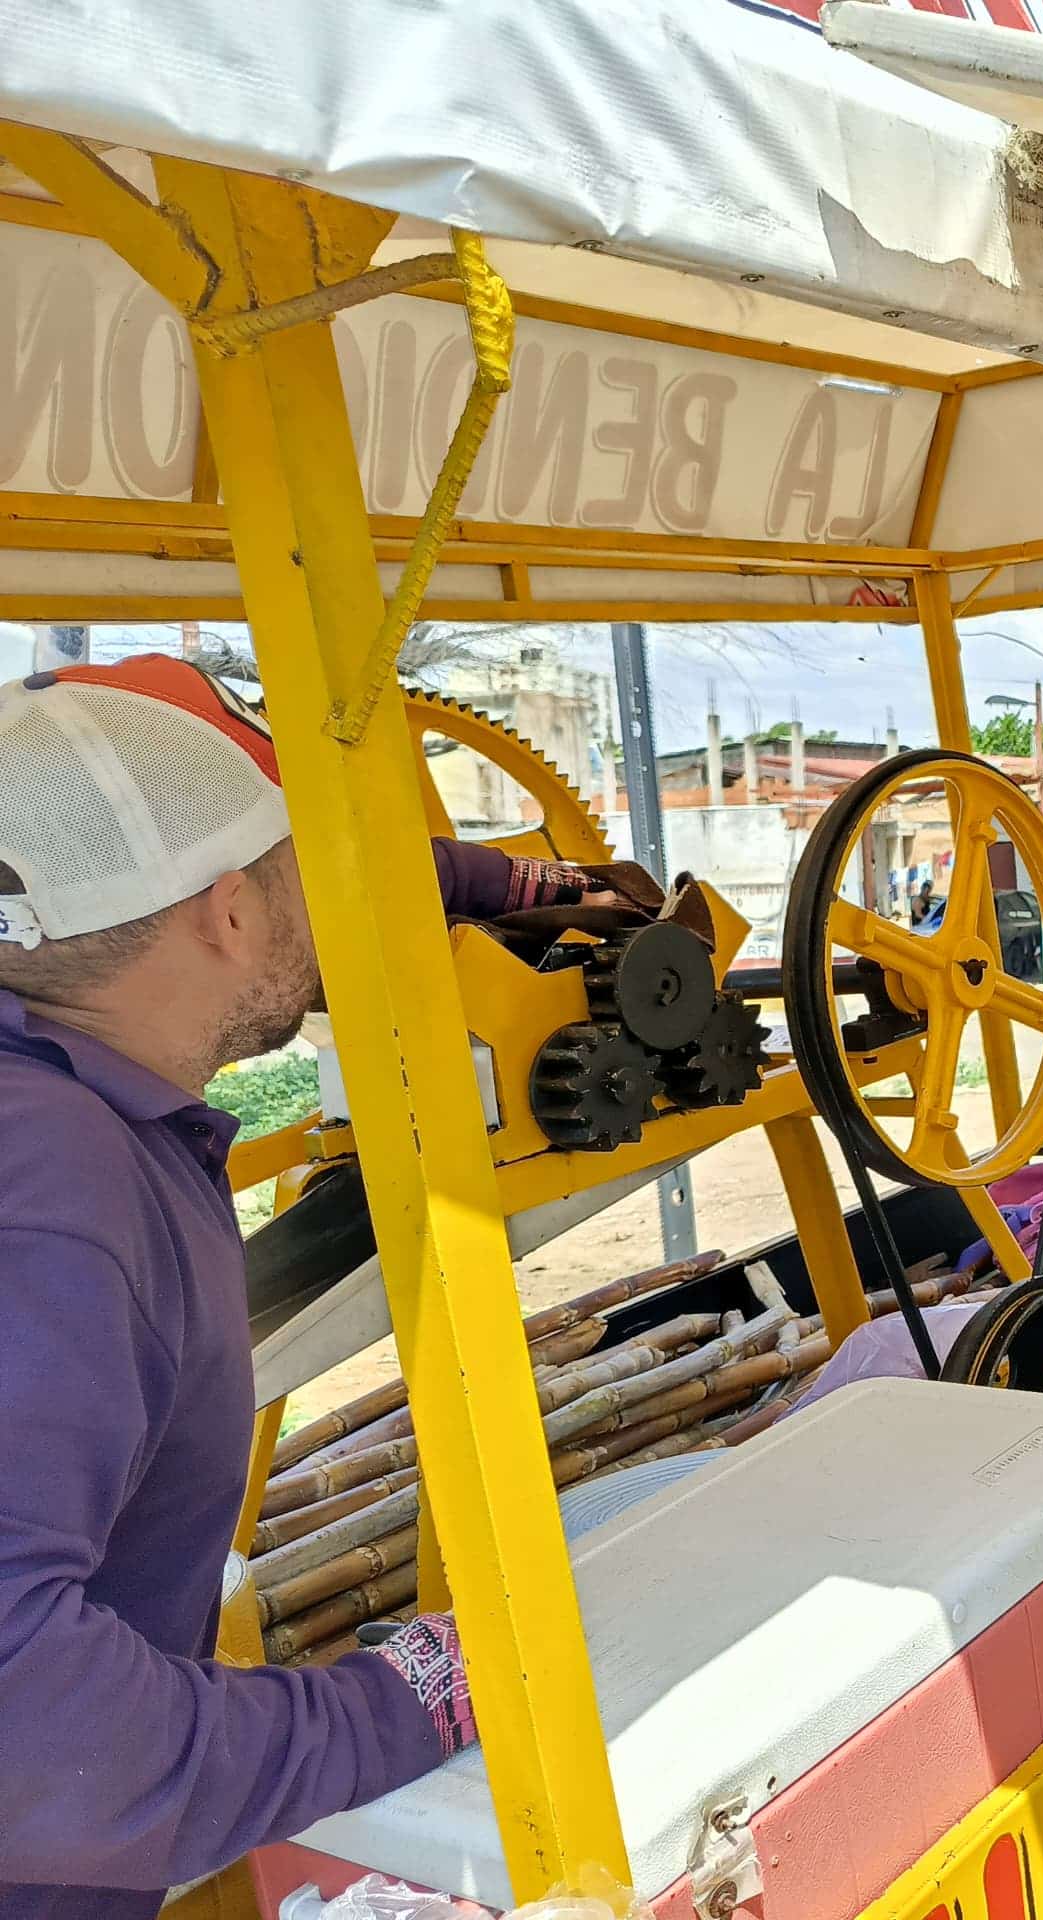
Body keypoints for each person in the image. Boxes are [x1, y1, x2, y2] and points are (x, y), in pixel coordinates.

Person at [0, 656, 608, 1920]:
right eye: (300, 879)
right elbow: (21, 1706)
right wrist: (391, 1709)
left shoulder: (75, 1119)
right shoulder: (58, 1196)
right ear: (229, 912)